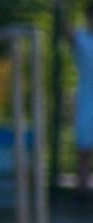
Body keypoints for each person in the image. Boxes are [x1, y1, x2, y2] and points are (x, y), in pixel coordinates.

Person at [63, 0, 93, 201]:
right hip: (87, 103)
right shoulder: (82, 39)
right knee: (84, 150)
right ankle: (81, 195)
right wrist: (60, 7)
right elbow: (67, 32)